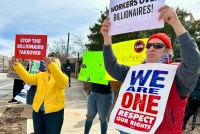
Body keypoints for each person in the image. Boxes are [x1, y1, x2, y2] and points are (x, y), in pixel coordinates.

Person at [101, 5, 200, 134]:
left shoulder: (177, 74)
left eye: (158, 45)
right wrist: (107, 39)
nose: (151, 48)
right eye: (149, 45)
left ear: (168, 51)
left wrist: (175, 24)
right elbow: (112, 67)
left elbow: (193, 63)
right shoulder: (135, 71)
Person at [12, 54, 68, 134]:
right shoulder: (41, 75)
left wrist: (51, 64)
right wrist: (17, 65)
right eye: (48, 63)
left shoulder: (63, 77)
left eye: (52, 62)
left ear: (56, 64)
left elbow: (62, 82)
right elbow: (28, 78)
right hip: (37, 113)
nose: (48, 64)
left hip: (54, 114)